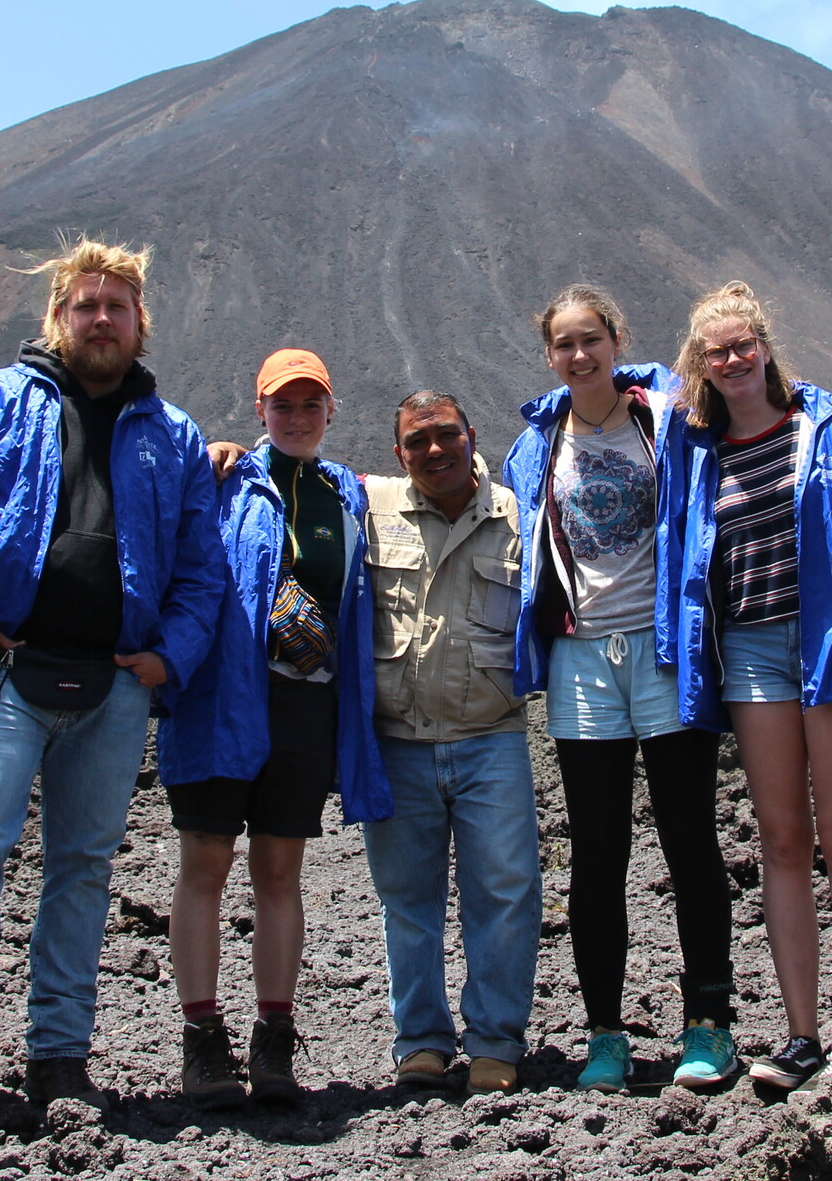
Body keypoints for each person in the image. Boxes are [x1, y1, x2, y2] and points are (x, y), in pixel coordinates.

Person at [0, 238, 225, 1109]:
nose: (102, 320)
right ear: (56, 316)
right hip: (5, 671)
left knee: (83, 865)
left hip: (114, 687)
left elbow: (199, 568)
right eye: (85, 305)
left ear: (141, 322)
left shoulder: (169, 434)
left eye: (118, 307)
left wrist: (165, 657)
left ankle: (59, 1053)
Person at [503, 283, 739, 1094]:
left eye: (590, 339)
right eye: (563, 344)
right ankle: (605, 1032)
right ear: (550, 355)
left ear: (615, 339)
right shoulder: (538, 444)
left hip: (666, 653)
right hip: (581, 663)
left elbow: (752, 403)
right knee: (598, 853)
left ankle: (709, 1023)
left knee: (689, 837)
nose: (579, 355)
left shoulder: (666, 418)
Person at [660, 282, 832, 1092]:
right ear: (702, 365)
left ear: (764, 346)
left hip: (826, 642)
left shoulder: (824, 428)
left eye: (743, 345)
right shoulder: (697, 447)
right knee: (783, 840)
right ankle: (801, 1036)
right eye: (716, 352)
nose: (733, 359)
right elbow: (621, 380)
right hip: (751, 651)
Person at [156, 348, 388, 1109]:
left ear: (330, 412)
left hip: (303, 705)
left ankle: (274, 1040)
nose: (296, 418)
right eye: (281, 405)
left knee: (281, 870)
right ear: (258, 411)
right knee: (207, 862)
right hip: (222, 697)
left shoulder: (344, 494)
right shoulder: (220, 479)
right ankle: (202, 1040)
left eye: (310, 405)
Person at [360, 390, 541, 1095]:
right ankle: (422, 1042)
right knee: (407, 899)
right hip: (399, 742)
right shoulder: (370, 513)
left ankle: (496, 1040)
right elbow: (292, 467)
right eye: (417, 442)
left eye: (445, 435)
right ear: (397, 453)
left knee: (505, 891)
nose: (434, 451)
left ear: (471, 434)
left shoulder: (517, 516)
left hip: (490, 738)